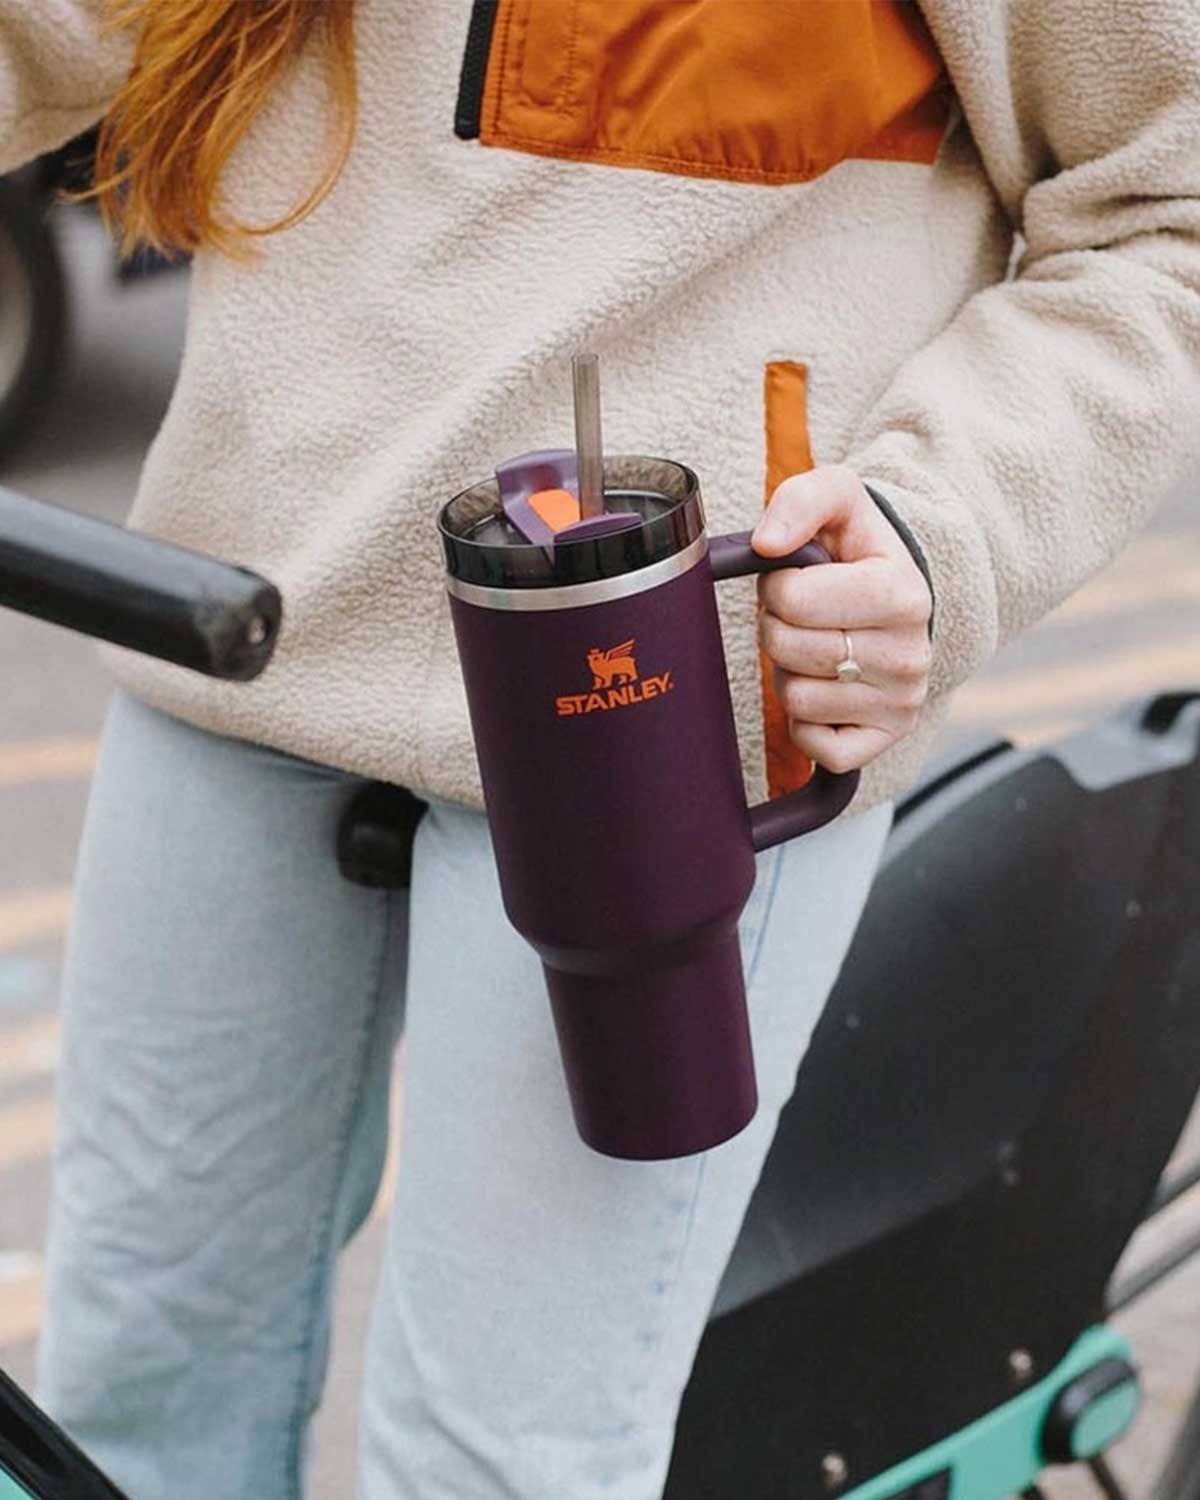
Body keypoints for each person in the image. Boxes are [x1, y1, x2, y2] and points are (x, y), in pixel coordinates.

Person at [7, 1, 1198, 1496]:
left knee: (498, 1465)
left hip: (661, 710)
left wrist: (940, 524)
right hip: (239, 624)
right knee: (128, 1400)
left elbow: (1166, 208)